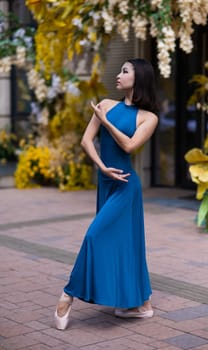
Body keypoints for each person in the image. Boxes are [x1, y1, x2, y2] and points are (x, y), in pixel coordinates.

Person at [54, 58, 158, 330]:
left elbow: (130, 145)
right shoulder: (106, 104)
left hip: (126, 186)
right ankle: (140, 305)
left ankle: (68, 294)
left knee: (96, 235)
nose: (119, 75)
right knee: (123, 242)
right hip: (107, 181)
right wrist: (102, 168)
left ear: (140, 78)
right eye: (120, 70)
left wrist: (105, 122)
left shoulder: (149, 117)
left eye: (125, 71)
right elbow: (86, 140)